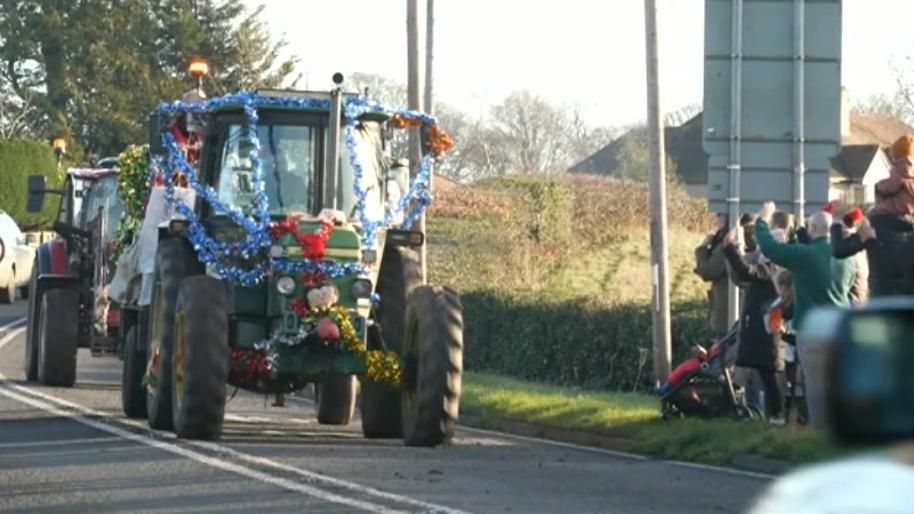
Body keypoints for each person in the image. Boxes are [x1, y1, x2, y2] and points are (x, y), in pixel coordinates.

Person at [755, 201, 856, 429]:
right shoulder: (846, 258)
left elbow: (771, 249)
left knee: (816, 384)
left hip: (813, 330)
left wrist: (762, 220)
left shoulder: (806, 255)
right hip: (840, 329)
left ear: (811, 230)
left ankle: (820, 433)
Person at [722, 223, 785, 425]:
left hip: (765, 333)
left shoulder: (772, 269)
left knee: (768, 377)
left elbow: (745, 271)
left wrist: (729, 247)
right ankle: (757, 413)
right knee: (755, 374)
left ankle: (773, 417)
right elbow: (744, 271)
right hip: (758, 331)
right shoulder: (769, 266)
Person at [694, 213, 730, 338]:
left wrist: (702, 249)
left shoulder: (728, 241)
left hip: (726, 314)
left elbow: (708, 271)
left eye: (720, 214)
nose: (716, 218)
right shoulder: (748, 236)